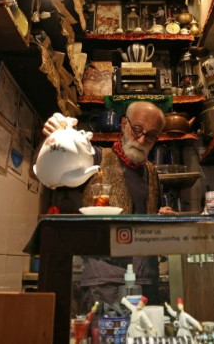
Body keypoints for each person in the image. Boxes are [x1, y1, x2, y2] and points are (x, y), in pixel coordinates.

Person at [41, 101, 175, 311]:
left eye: (151, 135)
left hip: (146, 281)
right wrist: (54, 138)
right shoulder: (96, 157)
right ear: (123, 125)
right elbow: (48, 171)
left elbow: (145, 216)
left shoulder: (151, 171)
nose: (141, 139)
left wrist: (160, 216)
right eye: (137, 129)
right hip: (103, 283)